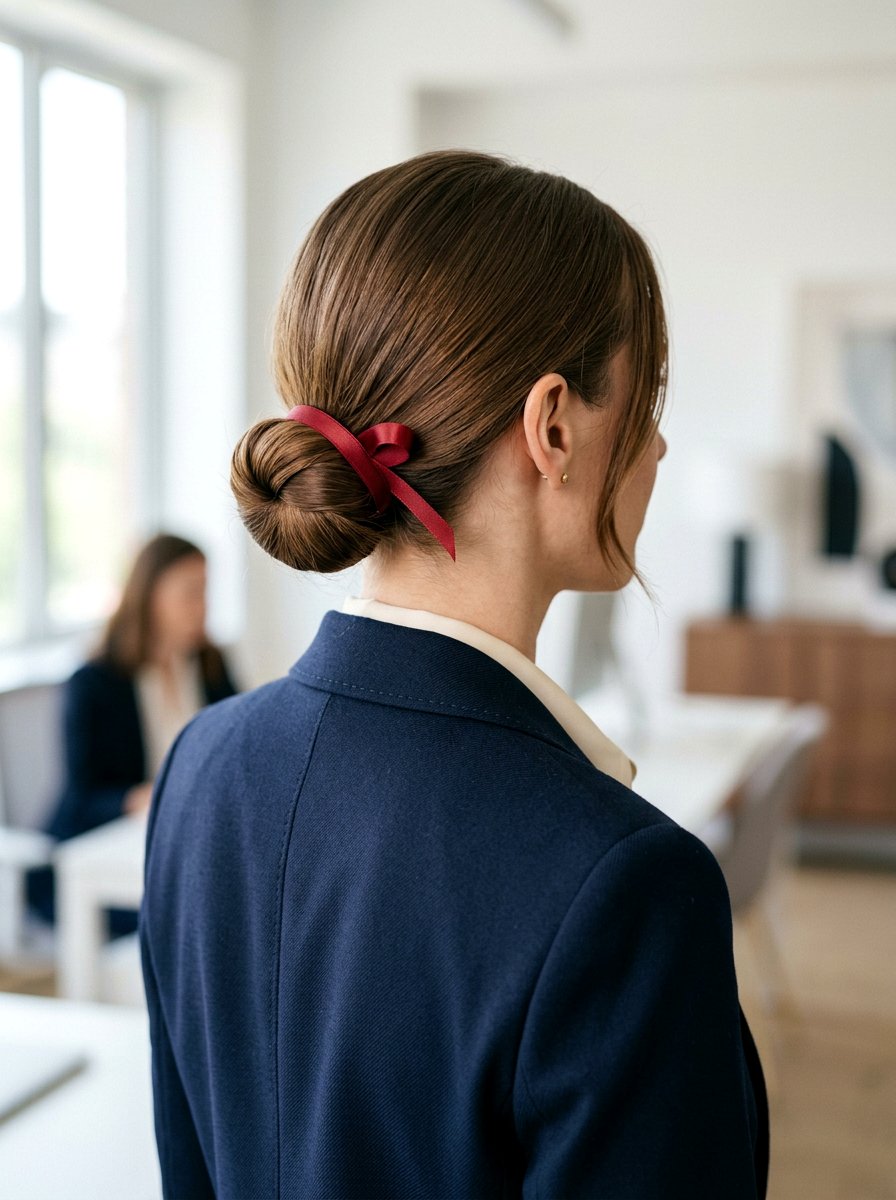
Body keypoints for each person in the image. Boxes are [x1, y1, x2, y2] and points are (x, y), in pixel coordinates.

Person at [140, 150, 769, 1198]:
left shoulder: (202, 765)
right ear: (554, 425)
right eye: (644, 397)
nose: (656, 446)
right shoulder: (624, 886)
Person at [26, 533, 239, 937]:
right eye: (189, 594)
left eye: (206, 592)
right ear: (149, 597)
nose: (203, 608)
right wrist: (141, 797)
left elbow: (241, 750)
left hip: (183, 839)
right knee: (194, 917)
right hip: (99, 855)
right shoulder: (95, 683)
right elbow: (81, 796)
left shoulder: (210, 664)